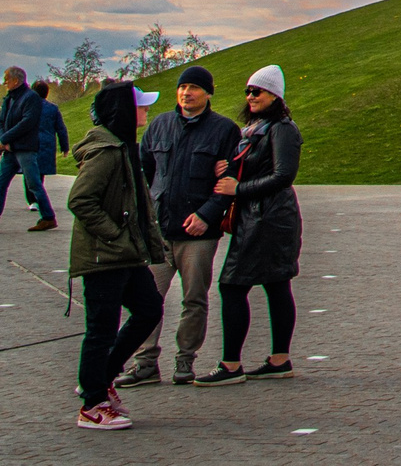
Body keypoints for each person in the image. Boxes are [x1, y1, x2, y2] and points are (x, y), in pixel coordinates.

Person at [127, 64, 239, 387]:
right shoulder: (160, 125)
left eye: (194, 88)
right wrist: (147, 212)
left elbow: (229, 182)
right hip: (159, 232)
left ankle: (185, 359)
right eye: (182, 87)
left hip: (198, 234)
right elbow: (144, 171)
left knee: (194, 299)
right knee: (147, 300)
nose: (186, 93)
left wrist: (206, 216)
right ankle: (145, 363)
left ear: (208, 93)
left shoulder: (224, 130)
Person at [67, 81, 168, 429]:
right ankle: (92, 405)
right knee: (101, 329)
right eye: (140, 105)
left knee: (149, 308)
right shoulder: (107, 152)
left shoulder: (124, 147)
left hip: (126, 254)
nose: (146, 110)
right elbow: (80, 200)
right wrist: (115, 234)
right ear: (123, 111)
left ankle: (102, 378)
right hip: (105, 257)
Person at [199, 64, 300, 385]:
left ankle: (231, 365)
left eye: (258, 91)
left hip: (268, 218)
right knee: (276, 284)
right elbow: (256, 167)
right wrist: (228, 169)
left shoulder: (282, 129)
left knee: (232, 285)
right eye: (248, 91)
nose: (251, 96)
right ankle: (279, 360)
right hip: (259, 216)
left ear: (275, 95)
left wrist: (237, 189)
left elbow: (283, 176)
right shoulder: (257, 128)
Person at [0, 65, 58, 230]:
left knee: (34, 184)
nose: (4, 82)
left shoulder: (31, 98)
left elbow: (27, 123)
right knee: (1, 183)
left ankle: (48, 217)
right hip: (10, 150)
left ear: (16, 80)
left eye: (7, 79)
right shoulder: (9, 98)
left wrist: (5, 139)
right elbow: (1, 121)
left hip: (25, 149)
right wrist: (4, 140)